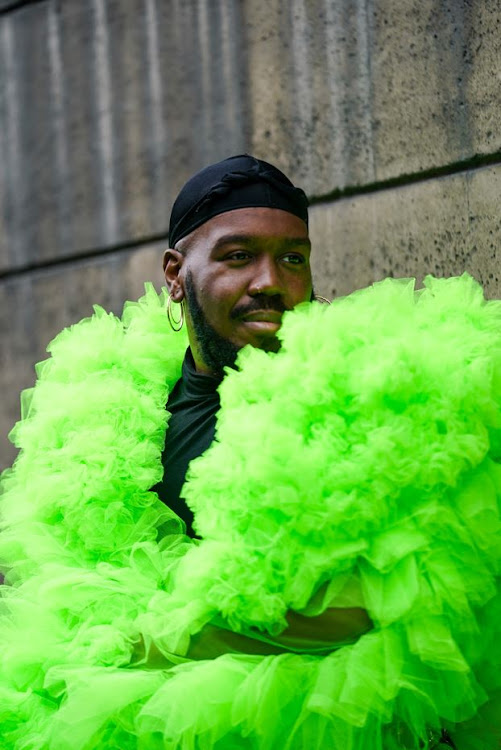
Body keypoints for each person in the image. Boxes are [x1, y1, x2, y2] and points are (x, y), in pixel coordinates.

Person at [0, 155, 500, 749]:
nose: (270, 281)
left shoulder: (365, 397)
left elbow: (376, 603)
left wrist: (160, 643)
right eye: (238, 257)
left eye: (293, 258)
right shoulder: (105, 416)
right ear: (176, 273)